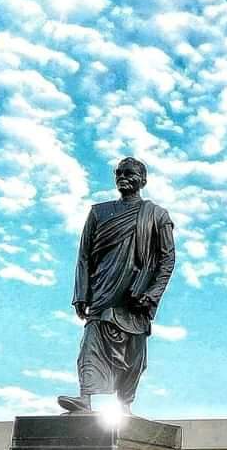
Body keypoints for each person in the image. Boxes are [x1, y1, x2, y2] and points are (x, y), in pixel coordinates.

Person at [57, 157, 175, 414]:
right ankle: (85, 398)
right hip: (103, 290)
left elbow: (167, 260)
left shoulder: (157, 215)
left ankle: (125, 404)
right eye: (119, 173)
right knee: (91, 343)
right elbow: (84, 255)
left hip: (136, 296)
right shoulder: (98, 213)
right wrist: (81, 293)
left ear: (143, 180)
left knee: (134, 354)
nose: (123, 177)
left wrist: (152, 293)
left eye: (129, 173)